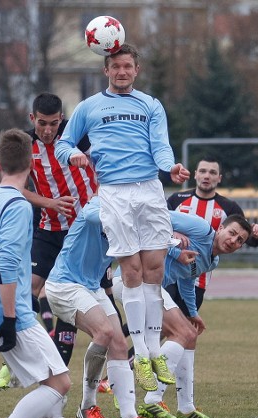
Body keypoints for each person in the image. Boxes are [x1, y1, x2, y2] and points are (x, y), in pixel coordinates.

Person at [55, 43, 190, 394]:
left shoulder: (150, 105)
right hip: (114, 192)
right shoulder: (88, 107)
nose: (122, 72)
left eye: (127, 66)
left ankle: (155, 350)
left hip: (149, 189)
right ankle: (143, 354)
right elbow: (63, 142)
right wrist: (73, 156)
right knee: (130, 271)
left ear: (136, 70)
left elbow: (160, 145)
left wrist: (170, 166)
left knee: (154, 270)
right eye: (115, 66)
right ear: (106, 70)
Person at [0, 129, 88, 418]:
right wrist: (9, 318)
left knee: (51, 376)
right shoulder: (17, 205)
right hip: (9, 307)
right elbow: (8, 262)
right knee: (60, 382)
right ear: (30, 163)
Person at [0, 93, 97, 389]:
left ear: (62, 119)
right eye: (42, 124)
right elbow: (8, 165)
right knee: (29, 288)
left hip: (82, 232)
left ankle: (89, 375)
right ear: (32, 119)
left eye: (53, 123)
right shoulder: (27, 145)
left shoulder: (77, 139)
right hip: (48, 229)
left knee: (83, 296)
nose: (48, 130)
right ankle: (9, 359)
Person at [45, 195, 158, 418]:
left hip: (92, 287)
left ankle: (129, 417)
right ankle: (87, 405)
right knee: (104, 332)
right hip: (64, 285)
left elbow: (165, 219)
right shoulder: (99, 203)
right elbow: (91, 215)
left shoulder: (134, 214)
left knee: (118, 342)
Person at [137, 212, 253, 418]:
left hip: (154, 289)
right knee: (183, 333)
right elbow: (155, 214)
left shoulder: (212, 261)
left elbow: (187, 280)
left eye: (240, 240)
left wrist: (193, 313)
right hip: (140, 282)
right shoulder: (200, 228)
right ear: (220, 229)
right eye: (232, 233)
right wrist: (172, 241)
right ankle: (152, 400)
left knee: (190, 335)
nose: (233, 241)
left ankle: (186, 408)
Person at [167, 155, 258, 309]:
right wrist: (172, 232)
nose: (207, 176)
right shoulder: (177, 199)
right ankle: (124, 332)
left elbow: (246, 238)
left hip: (199, 277)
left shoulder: (229, 207)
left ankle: (124, 332)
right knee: (165, 321)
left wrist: (257, 236)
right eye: (203, 171)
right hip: (171, 268)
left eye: (212, 173)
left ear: (219, 178)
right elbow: (158, 222)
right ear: (196, 174)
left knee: (182, 326)